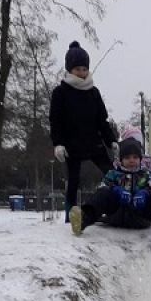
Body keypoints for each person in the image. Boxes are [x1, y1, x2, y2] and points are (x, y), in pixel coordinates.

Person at [50, 40, 118, 222]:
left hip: (93, 143)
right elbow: (55, 121)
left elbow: (102, 121)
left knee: (112, 174)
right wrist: (58, 144)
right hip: (71, 145)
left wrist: (111, 140)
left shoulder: (93, 92)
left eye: (84, 69)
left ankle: (115, 208)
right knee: (73, 182)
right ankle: (70, 216)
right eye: (77, 69)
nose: (81, 73)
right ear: (70, 70)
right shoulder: (60, 93)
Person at [71, 137, 151, 244]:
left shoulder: (147, 175)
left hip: (142, 216)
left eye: (135, 157)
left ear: (140, 159)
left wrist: (145, 193)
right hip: (117, 213)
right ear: (121, 160)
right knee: (103, 192)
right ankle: (82, 219)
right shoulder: (113, 174)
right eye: (127, 158)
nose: (131, 160)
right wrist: (116, 190)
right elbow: (103, 186)